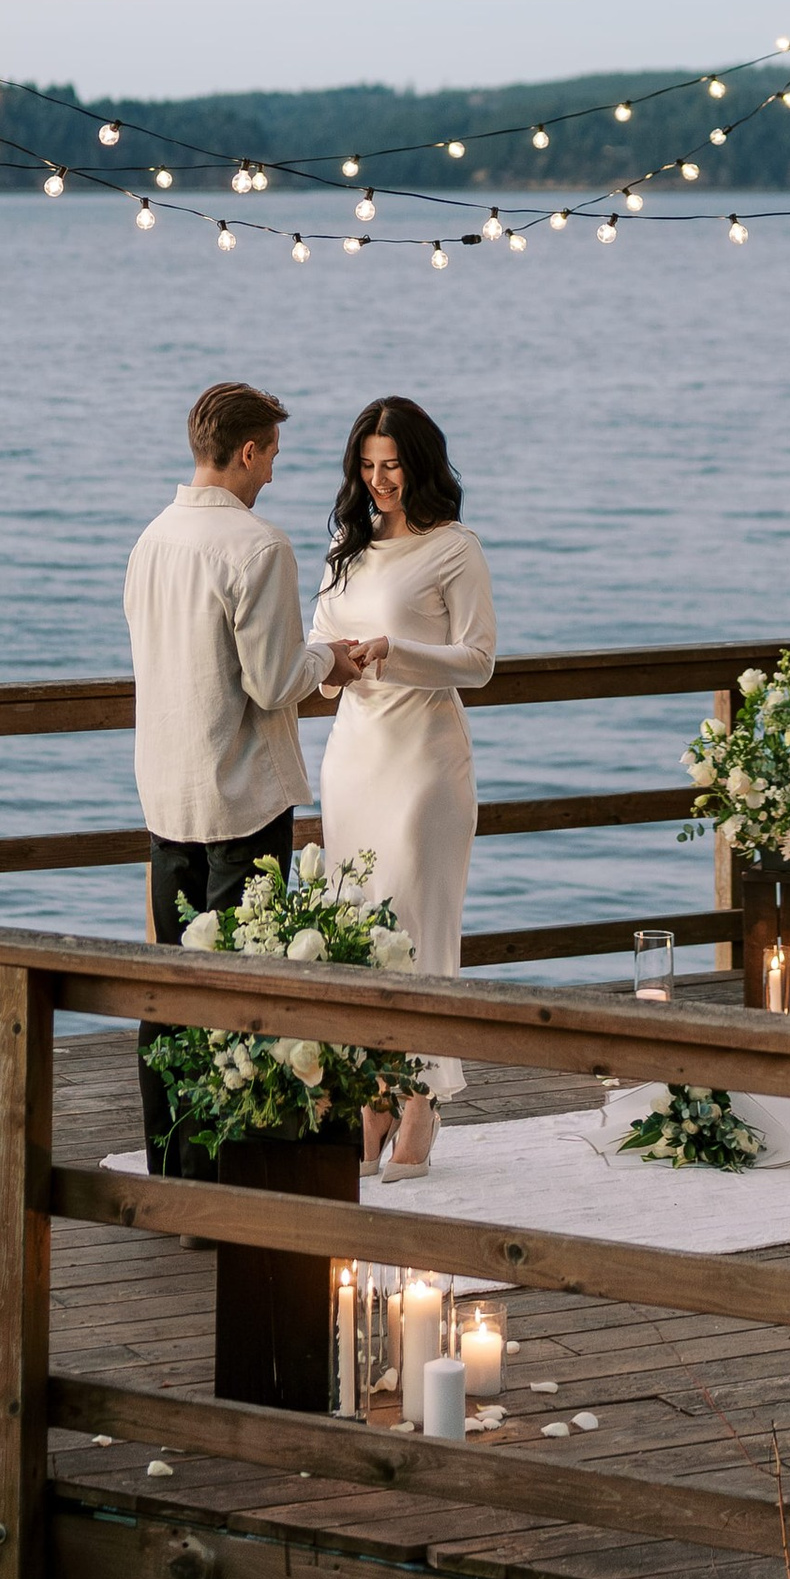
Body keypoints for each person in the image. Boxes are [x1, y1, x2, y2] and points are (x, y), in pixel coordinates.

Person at [123, 378, 383, 1169]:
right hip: (239, 796)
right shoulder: (258, 546)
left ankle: (173, 1170)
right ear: (244, 451)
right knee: (240, 998)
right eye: (270, 454)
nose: (272, 471)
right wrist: (330, 659)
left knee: (169, 995)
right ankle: (226, 1176)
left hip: (167, 794)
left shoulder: (151, 539)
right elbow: (273, 682)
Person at [310, 395, 496, 1171]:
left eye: (392, 466)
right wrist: (333, 667)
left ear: (419, 465)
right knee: (355, 932)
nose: (379, 480)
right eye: (367, 466)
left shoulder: (455, 548)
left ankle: (420, 1105)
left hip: (424, 761)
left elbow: (479, 660)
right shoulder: (344, 546)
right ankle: (372, 1098)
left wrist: (394, 651)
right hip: (353, 757)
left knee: (417, 927)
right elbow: (319, 644)